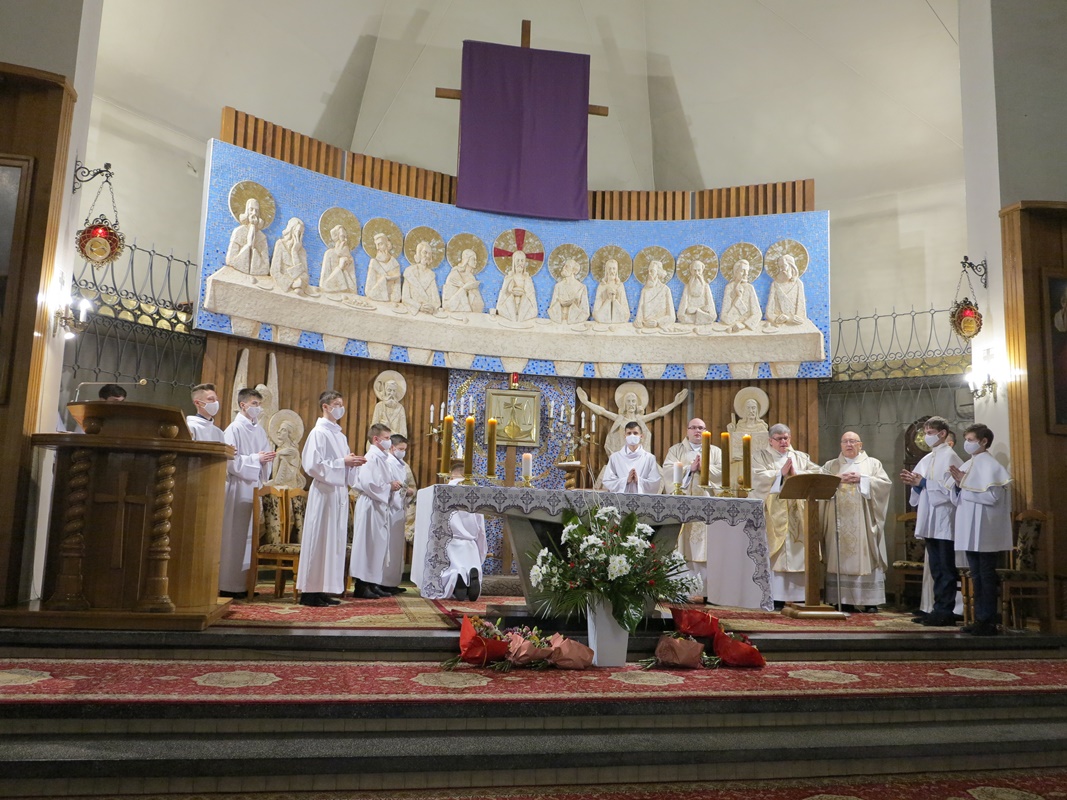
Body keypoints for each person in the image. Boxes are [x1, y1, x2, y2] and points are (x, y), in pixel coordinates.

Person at [296, 391, 366, 607]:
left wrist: (351, 463)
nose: (340, 408)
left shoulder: (340, 435)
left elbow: (342, 462)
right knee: (319, 539)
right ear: (325, 407)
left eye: (341, 404)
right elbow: (312, 465)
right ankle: (309, 592)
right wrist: (342, 462)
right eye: (336, 404)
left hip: (338, 493)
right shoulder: (318, 433)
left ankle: (323, 588)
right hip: (324, 493)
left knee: (333, 542)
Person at [949, 423, 1013, 636]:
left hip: (986, 530)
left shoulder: (992, 466)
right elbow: (958, 498)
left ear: (984, 441)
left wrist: (964, 484)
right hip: (969, 529)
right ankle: (979, 619)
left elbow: (992, 497)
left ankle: (988, 621)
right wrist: (958, 485)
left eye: (970, 440)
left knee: (985, 575)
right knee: (976, 575)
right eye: (966, 440)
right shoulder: (969, 464)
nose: (967, 444)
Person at [750, 423, 823, 606]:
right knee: (778, 554)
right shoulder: (761, 456)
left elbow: (818, 472)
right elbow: (756, 478)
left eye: (786, 438)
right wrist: (779, 474)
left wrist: (797, 474)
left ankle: (800, 596)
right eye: (779, 439)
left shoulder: (800, 457)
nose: (783, 442)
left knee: (799, 552)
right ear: (770, 441)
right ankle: (777, 597)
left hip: (798, 512)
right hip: (774, 513)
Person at [900, 415, 963, 627]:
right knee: (936, 567)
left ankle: (946, 611)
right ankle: (937, 609)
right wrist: (915, 483)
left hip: (945, 520)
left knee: (946, 568)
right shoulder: (927, 458)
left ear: (942, 433)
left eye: (929, 433)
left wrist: (924, 482)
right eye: (925, 433)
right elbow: (921, 488)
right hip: (931, 519)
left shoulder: (951, 457)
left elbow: (951, 490)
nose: (927, 437)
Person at [821, 432, 891, 611]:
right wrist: (835, 480)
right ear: (841, 444)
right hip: (838, 521)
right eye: (845, 441)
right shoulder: (830, 465)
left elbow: (884, 485)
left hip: (863, 522)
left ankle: (869, 601)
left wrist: (863, 479)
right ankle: (842, 599)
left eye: (852, 441)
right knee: (839, 555)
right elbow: (819, 487)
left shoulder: (872, 464)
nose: (849, 444)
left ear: (860, 444)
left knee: (866, 554)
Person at [219, 388, 275, 599]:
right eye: (254, 404)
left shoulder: (259, 430)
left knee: (249, 538)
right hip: (237, 487)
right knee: (234, 536)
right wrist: (256, 459)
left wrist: (266, 460)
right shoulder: (233, 429)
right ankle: (228, 585)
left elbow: (264, 456)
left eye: (259, 405)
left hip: (253, 488)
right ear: (243, 405)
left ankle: (245, 584)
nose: (258, 408)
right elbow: (230, 461)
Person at [661, 418, 722, 593]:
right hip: (683, 506)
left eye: (701, 428)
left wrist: (704, 469)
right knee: (683, 546)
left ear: (706, 431)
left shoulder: (715, 451)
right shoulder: (676, 450)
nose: (697, 431)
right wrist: (690, 469)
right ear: (687, 430)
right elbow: (668, 471)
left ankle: (707, 591)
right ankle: (682, 590)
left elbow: (723, 473)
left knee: (707, 547)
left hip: (707, 507)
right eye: (693, 428)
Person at [350, 423, 406, 599]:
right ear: (376, 439)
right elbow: (369, 484)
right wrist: (389, 486)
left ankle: (372, 583)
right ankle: (361, 586)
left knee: (377, 546)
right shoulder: (372, 458)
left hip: (378, 504)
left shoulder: (381, 458)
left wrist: (392, 486)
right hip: (370, 505)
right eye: (387, 438)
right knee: (367, 545)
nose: (389, 442)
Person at [576, 384, 688, 456]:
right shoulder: (620, 419)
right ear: (624, 404)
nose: (631, 404)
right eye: (628, 401)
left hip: (639, 457)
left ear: (637, 403)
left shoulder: (640, 420)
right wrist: (586, 402)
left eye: (633, 401)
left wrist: (675, 403)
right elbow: (602, 411)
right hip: (622, 457)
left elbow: (660, 412)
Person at [441, 460, 487, 601]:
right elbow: (481, 528)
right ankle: (471, 576)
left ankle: (456, 580)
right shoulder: (476, 492)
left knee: (449, 571)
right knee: (472, 566)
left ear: (451, 476)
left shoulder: (443, 490)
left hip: (450, 543)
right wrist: (481, 553)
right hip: (470, 545)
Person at [601, 421, 663, 494]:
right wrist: (626, 480)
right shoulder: (615, 457)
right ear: (625, 436)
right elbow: (608, 481)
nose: (632, 436)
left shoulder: (649, 458)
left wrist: (638, 480)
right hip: (621, 499)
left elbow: (655, 483)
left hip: (642, 499)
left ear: (641, 436)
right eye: (629, 433)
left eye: (635, 433)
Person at [389, 432, 418, 576]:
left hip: (399, 508)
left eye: (404, 449)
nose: (403, 452)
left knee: (395, 546)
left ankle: (393, 578)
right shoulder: (386, 462)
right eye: (401, 449)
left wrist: (408, 491)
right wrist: (405, 490)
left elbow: (406, 485)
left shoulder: (402, 465)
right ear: (392, 447)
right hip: (388, 508)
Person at [225, 197, 270, 277]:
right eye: (251, 209)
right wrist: (248, 246)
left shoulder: (262, 237)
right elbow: (231, 260)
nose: (254, 213)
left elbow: (265, 267)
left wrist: (253, 227)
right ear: (246, 211)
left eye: (256, 211)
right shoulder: (238, 232)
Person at [319, 224, 362, 301]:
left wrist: (345, 269)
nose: (345, 240)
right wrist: (340, 268)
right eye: (342, 237)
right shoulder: (329, 254)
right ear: (336, 237)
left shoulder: (349, 258)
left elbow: (353, 289)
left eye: (346, 237)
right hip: (330, 297)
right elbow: (324, 286)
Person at [720, 259, 762, 333]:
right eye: (742, 271)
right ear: (736, 272)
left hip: (746, 327)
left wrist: (744, 324)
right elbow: (724, 317)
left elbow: (757, 313)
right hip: (731, 326)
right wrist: (738, 298)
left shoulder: (749, 288)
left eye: (747, 271)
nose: (745, 274)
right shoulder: (729, 288)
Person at [269, 217, 309, 295]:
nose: (298, 236)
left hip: (298, 287)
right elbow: (274, 271)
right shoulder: (280, 244)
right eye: (297, 232)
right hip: (284, 286)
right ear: (291, 230)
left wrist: (294, 253)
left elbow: (305, 276)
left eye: (301, 233)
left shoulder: (302, 251)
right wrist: (290, 283)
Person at [495, 250, 538, 322]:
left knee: (528, 304)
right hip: (510, 304)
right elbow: (503, 294)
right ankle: (514, 319)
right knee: (506, 304)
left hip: (524, 304)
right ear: (514, 262)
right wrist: (510, 291)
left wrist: (524, 294)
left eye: (522, 261)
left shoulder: (527, 279)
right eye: (518, 260)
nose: (520, 263)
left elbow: (531, 296)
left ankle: (519, 319)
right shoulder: (509, 277)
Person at [765, 254, 807, 326]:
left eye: (783, 266)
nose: (781, 270)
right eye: (779, 267)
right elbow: (769, 312)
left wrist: (791, 319)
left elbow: (801, 313)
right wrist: (776, 318)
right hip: (779, 324)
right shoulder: (775, 284)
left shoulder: (798, 284)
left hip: (794, 325)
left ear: (791, 266)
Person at [401, 241, 442, 314]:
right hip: (413, 311)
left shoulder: (431, 275)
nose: (427, 256)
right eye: (425, 252)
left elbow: (436, 301)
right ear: (418, 254)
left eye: (429, 253)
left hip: (428, 313)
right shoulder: (409, 272)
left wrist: (432, 307)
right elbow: (405, 298)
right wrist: (419, 306)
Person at [633, 260, 676, 329]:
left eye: (652, 271)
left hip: (660, 329)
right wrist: (638, 321)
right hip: (645, 328)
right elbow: (639, 316)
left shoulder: (665, 290)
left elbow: (672, 317)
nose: (649, 274)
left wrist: (657, 322)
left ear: (658, 273)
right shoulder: (644, 291)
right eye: (648, 271)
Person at [547, 258, 590, 325]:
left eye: (567, 266)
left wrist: (573, 312)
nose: (564, 268)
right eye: (564, 266)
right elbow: (551, 309)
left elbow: (585, 312)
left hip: (575, 322)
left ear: (574, 270)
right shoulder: (558, 286)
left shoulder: (581, 287)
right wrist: (560, 303)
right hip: (559, 322)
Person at [442, 248, 484, 314]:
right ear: (467, 260)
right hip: (455, 314)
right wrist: (463, 288)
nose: (476, 262)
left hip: (470, 315)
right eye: (473, 259)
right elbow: (448, 306)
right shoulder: (454, 275)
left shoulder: (472, 278)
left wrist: (466, 288)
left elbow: (480, 306)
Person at [676, 260, 717, 325]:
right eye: (694, 270)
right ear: (691, 270)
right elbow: (681, 313)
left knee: (710, 316)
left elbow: (712, 313)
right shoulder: (687, 287)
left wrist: (699, 310)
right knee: (684, 317)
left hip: (704, 314)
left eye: (699, 270)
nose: (697, 273)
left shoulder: (706, 287)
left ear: (702, 270)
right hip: (690, 315)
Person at [365, 231, 402, 302]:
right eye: (376, 245)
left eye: (380, 244)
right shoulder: (374, 263)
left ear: (388, 244)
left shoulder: (395, 264)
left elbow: (397, 290)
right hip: (374, 299)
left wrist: (394, 300)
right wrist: (384, 279)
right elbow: (368, 289)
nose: (378, 248)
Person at [592, 258, 630, 324]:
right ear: (606, 270)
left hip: (618, 322)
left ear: (617, 270)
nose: (612, 271)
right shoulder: (602, 286)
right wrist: (608, 299)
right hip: (603, 320)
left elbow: (626, 314)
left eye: (614, 268)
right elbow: (596, 313)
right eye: (609, 268)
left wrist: (614, 299)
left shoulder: (620, 286)